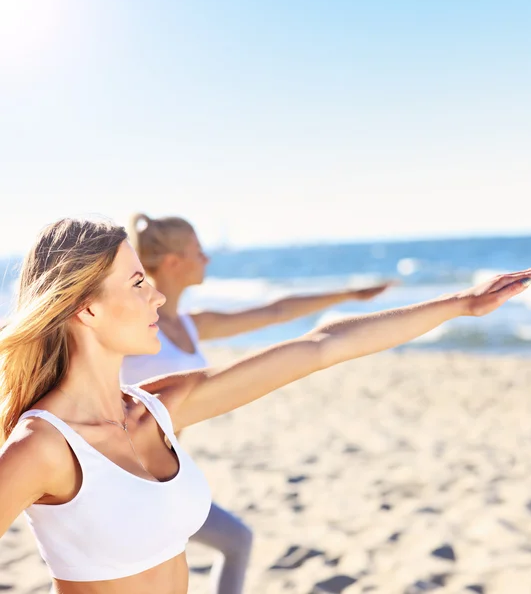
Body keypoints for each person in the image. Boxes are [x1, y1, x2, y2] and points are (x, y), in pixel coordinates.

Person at [0, 217, 531, 594]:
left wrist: (461, 304)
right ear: (87, 310)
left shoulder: (158, 407)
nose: (159, 296)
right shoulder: (42, 448)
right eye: (138, 283)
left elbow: (321, 346)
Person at [121, 213, 396, 594]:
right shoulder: (131, 325)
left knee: (237, 542)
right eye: (199, 252)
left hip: (169, 481)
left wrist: (348, 295)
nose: (207, 260)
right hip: (124, 481)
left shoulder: (189, 325)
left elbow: (275, 312)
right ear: (173, 262)